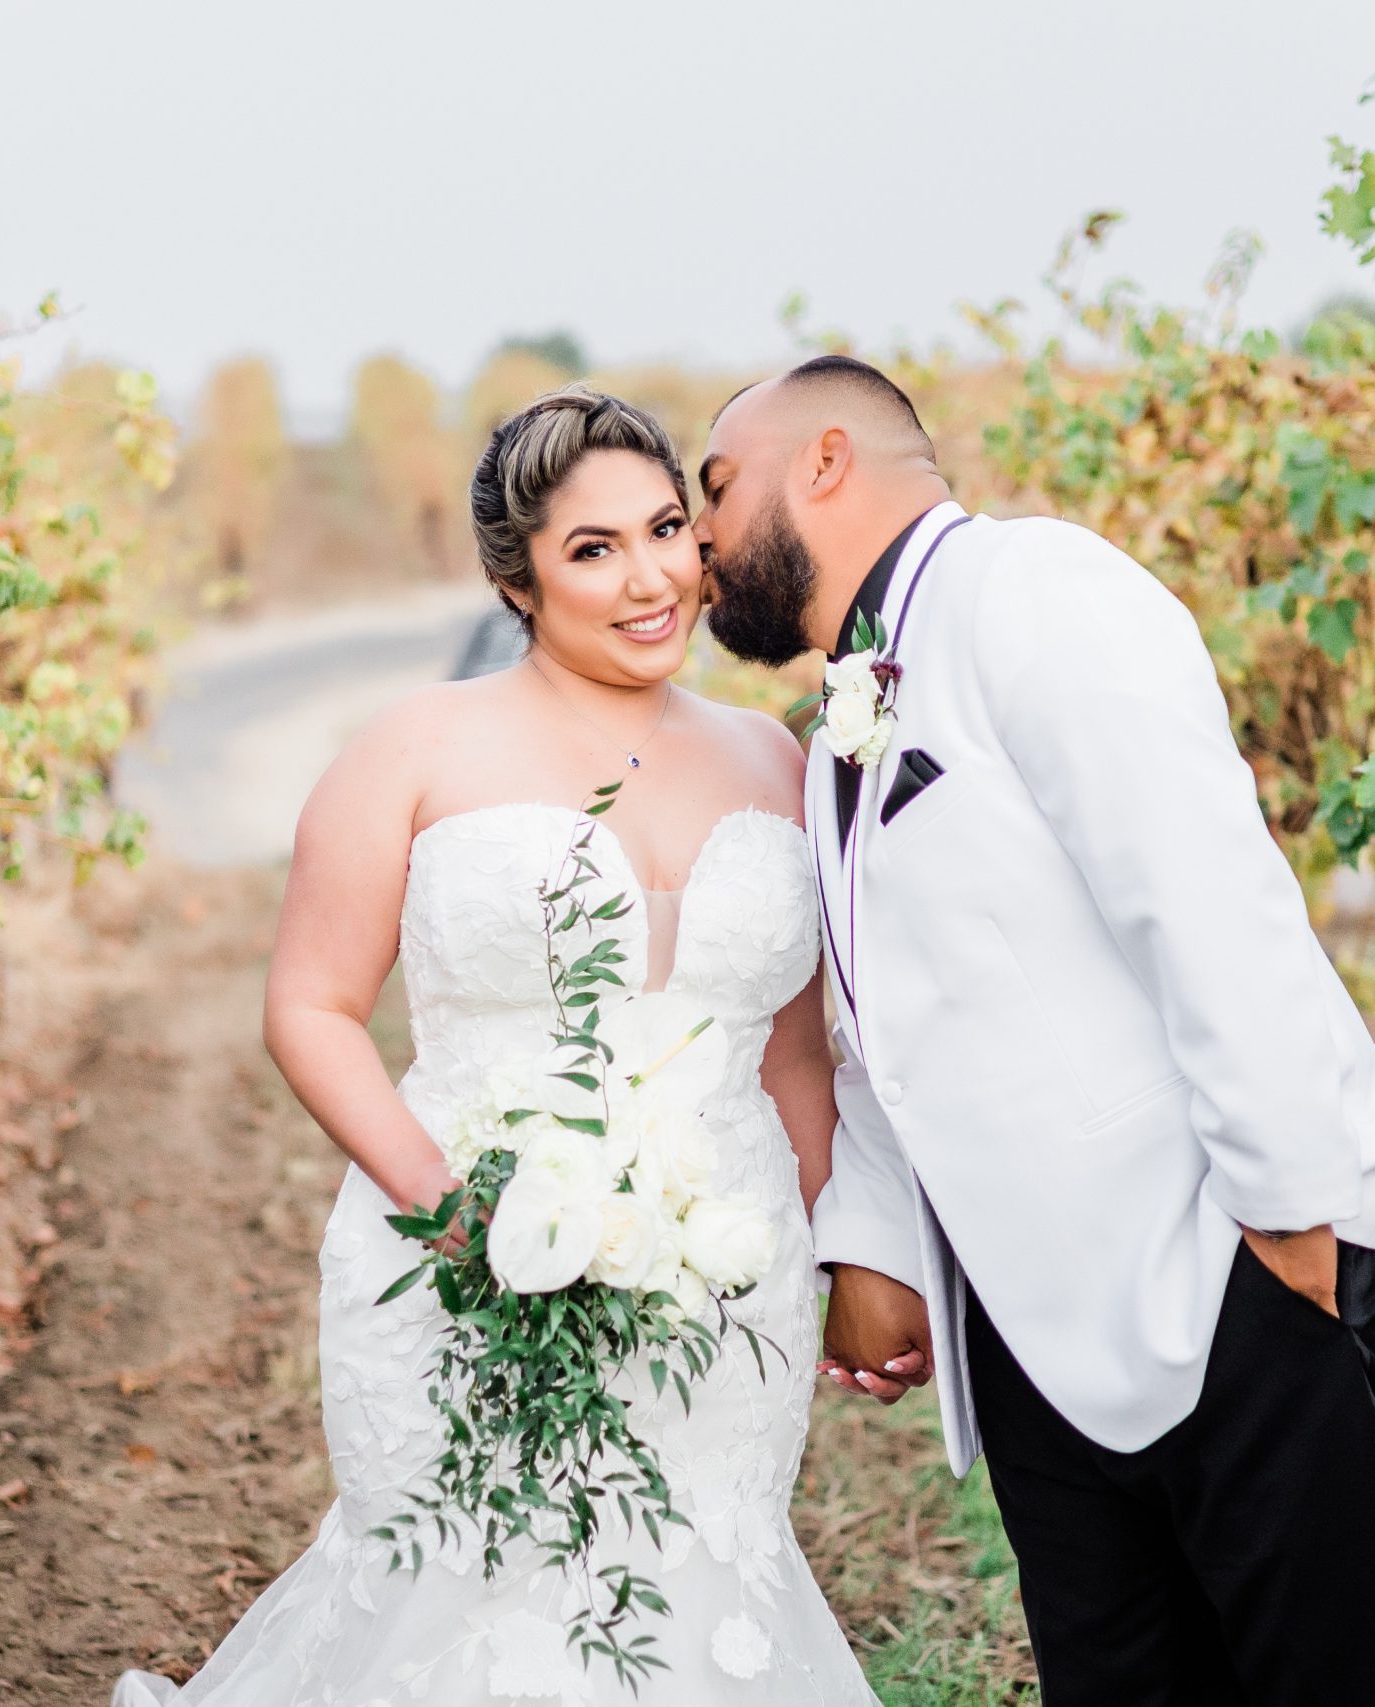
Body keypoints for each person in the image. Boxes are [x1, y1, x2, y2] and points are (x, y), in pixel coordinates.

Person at [698, 353, 1375, 1706]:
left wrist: (1287, 1213)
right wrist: (878, 1253)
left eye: (712, 487)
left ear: (824, 461)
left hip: (1230, 1258)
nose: (695, 535)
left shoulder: (1036, 592)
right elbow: (890, 1034)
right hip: (1032, 1325)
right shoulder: (831, 741)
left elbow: (1204, 897)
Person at [113, 386, 880, 1704]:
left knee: (697, 1596)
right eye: (593, 551)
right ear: (514, 580)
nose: (650, 580)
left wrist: (832, 1252)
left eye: (663, 531)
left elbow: (794, 1056)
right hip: (471, 1260)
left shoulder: (771, 759)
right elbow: (310, 1008)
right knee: (471, 1602)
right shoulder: (417, 747)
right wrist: (449, 1209)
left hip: (722, 1287)